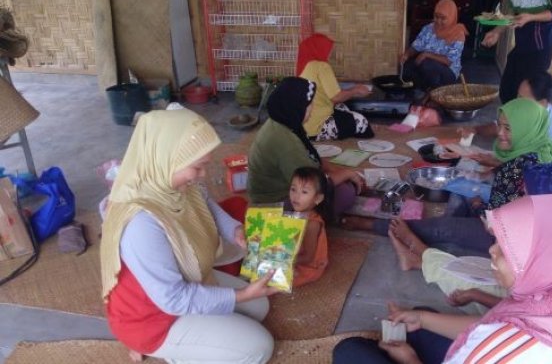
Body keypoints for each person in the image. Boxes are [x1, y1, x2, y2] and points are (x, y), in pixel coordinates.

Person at [333, 194, 552, 363]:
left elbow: (493, 339)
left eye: (506, 250)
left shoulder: (496, 353)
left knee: (350, 352)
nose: (492, 251)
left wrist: (410, 360)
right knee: (419, 319)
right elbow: (493, 327)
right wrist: (424, 319)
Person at [100, 110, 278, 364]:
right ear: (167, 159)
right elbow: (174, 298)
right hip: (152, 318)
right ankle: (161, 348)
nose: (203, 175)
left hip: (188, 282)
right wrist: (241, 296)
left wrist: (235, 230)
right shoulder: (141, 223)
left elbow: (205, 204)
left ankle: (195, 345)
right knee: (258, 347)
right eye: (197, 167)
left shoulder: (170, 184)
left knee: (259, 308)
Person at [428, 163, 552, 344]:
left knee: (467, 277)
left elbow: (529, 314)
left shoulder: (549, 312)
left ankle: (420, 255)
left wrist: (477, 295)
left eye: (529, 198)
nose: (521, 202)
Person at [342, 98, 552, 257]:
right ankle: (457, 223)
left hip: (513, 240)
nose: (500, 133)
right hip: (506, 213)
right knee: (462, 189)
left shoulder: (527, 167)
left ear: (526, 129)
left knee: (442, 227)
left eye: (509, 128)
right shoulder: (539, 149)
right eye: (500, 126)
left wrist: (478, 205)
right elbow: (506, 181)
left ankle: (378, 229)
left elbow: (497, 223)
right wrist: (484, 174)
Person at [248, 77, 364, 217]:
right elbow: (311, 184)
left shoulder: (281, 120)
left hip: (280, 188)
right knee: (345, 193)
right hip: (273, 203)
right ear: (295, 107)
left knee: (342, 182)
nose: (312, 108)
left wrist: (341, 170)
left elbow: (313, 160)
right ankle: (305, 220)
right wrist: (348, 174)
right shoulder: (285, 141)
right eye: (308, 104)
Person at [460, 71, 552, 163]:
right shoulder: (528, 111)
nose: (516, 101)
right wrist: (475, 130)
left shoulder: (550, 131)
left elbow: (531, 168)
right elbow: (498, 126)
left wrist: (495, 162)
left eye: (522, 98)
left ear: (542, 103)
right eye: (518, 95)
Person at [481, 0, 552, 103]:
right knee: (506, 92)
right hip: (522, 45)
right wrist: (497, 31)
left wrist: (531, 17)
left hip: (540, 47)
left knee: (527, 96)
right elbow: (515, 13)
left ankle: (547, 98)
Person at [296, 33, 374, 141]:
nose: (330, 53)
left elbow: (330, 96)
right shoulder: (322, 66)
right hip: (316, 128)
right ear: (319, 49)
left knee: (343, 107)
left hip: (302, 126)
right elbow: (336, 97)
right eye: (328, 49)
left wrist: (352, 90)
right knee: (362, 122)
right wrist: (356, 90)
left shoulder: (304, 66)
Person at [400, 0, 467, 92]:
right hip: (426, 66)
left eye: (443, 18)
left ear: (451, 17)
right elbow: (416, 47)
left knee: (428, 65)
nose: (438, 21)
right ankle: (422, 91)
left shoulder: (458, 34)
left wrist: (426, 54)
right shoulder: (428, 29)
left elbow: (449, 61)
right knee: (407, 68)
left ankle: (434, 94)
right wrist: (407, 54)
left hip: (447, 72)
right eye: (436, 17)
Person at [289, 167, 332, 287]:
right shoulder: (294, 214)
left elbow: (308, 257)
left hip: (308, 267)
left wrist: (284, 261)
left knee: (270, 279)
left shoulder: (312, 224)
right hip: (292, 257)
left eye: (304, 192)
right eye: (293, 189)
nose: (296, 196)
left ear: (317, 198)